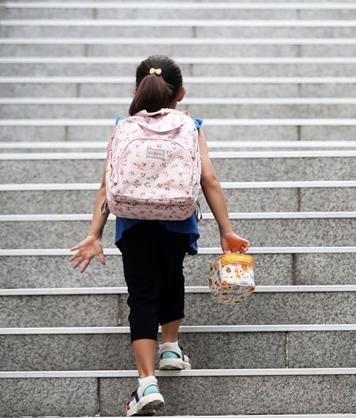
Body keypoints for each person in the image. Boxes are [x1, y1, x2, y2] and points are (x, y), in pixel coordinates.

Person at [69, 54, 250, 416]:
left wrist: (94, 234)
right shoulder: (190, 126)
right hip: (178, 220)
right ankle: (170, 345)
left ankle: (147, 383)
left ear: (137, 90)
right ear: (180, 93)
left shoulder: (123, 126)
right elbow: (209, 180)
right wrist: (226, 230)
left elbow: (108, 186)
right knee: (172, 278)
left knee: (142, 294)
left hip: (132, 223)